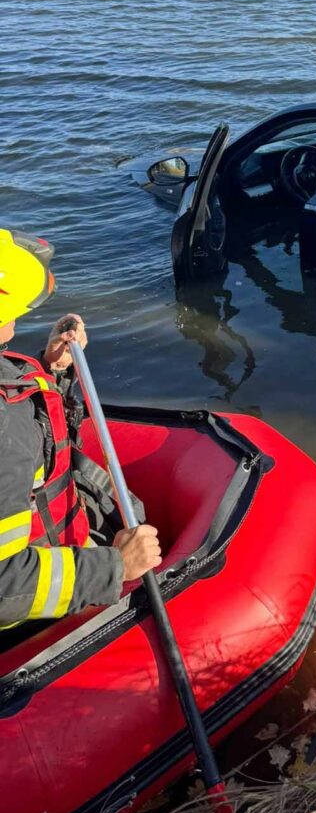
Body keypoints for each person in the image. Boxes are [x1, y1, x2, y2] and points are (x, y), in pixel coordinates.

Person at [0, 228, 161, 630]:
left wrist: (52, 369)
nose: (16, 321)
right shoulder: (6, 432)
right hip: (33, 614)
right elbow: (4, 587)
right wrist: (115, 566)